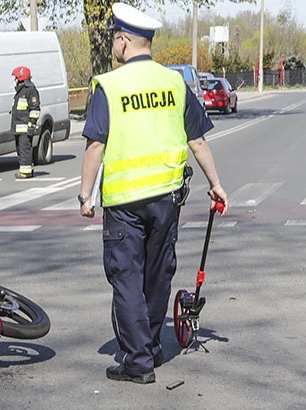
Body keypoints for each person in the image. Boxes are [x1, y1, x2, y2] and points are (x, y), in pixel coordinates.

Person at [78, 2, 229, 384]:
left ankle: (138, 361)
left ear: (124, 42)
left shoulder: (110, 86)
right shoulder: (174, 83)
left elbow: (96, 145)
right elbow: (197, 140)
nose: (113, 44)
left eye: (115, 38)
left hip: (125, 202)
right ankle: (153, 347)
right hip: (166, 197)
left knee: (127, 277)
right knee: (158, 273)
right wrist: (215, 184)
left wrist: (85, 195)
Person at [11, 66, 40, 179]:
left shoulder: (30, 91)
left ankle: (25, 172)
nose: (15, 80)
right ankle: (27, 169)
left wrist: (31, 125)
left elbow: (35, 109)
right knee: (20, 150)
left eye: (16, 78)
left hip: (25, 128)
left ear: (21, 78)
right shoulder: (20, 91)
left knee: (25, 150)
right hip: (18, 128)